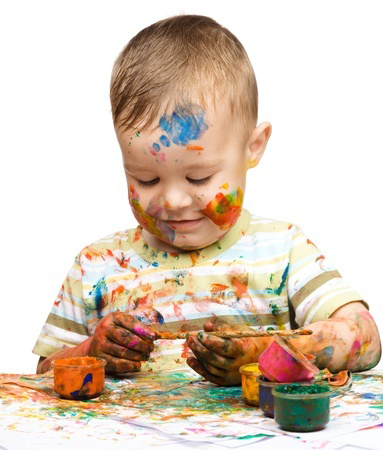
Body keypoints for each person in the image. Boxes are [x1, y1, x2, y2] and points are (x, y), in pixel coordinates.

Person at [34, 15, 381, 385]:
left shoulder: (284, 251)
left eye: (199, 177)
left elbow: (365, 338)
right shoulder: (96, 268)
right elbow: (42, 373)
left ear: (253, 147)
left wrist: (265, 352)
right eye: (146, 179)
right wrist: (91, 351)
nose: (173, 199)